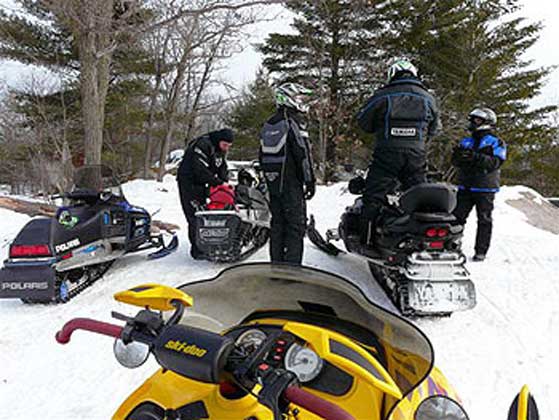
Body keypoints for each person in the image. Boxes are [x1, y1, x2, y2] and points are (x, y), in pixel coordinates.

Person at [356, 58, 441, 246]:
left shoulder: (382, 95)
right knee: (419, 196)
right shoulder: (428, 98)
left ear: (392, 75)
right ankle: (425, 239)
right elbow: (435, 128)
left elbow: (363, 122)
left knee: (373, 196)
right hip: (416, 155)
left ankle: (366, 240)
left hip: (387, 154)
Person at [259, 82, 316, 264]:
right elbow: (303, 153)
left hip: (273, 184)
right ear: (288, 98)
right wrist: (310, 180)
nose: (302, 101)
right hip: (291, 183)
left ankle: (276, 266)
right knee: (295, 226)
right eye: (299, 97)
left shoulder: (268, 124)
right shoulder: (294, 122)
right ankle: (292, 270)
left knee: (277, 225)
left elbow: (261, 155)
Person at [451, 107, 506, 261]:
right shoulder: (465, 141)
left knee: (484, 220)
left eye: (477, 120)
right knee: (456, 218)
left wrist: (475, 157)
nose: (473, 123)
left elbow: (495, 162)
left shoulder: (496, 142)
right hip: (465, 185)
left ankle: (481, 251)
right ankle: (452, 245)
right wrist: (459, 156)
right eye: (473, 120)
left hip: (485, 187)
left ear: (487, 122)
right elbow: (455, 161)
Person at [177, 128, 234, 260]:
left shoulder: (219, 149)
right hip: (189, 182)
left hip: (202, 183)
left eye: (229, 146)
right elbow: (200, 170)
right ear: (219, 141)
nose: (226, 148)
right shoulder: (202, 145)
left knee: (206, 212)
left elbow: (222, 166)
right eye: (225, 145)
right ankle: (197, 249)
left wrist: (224, 182)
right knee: (194, 214)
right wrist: (218, 182)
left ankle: (210, 242)